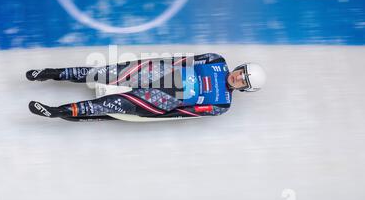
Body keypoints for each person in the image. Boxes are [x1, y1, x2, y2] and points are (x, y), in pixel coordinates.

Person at [26, 53, 266, 122]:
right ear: (240, 67)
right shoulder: (216, 61)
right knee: (102, 72)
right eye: (241, 72)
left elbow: (187, 114)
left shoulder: (223, 104)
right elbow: (184, 59)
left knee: (111, 105)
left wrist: (158, 114)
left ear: (245, 88)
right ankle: (51, 74)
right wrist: (151, 64)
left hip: (162, 100)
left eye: (244, 81)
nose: (238, 78)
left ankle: (58, 111)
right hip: (160, 73)